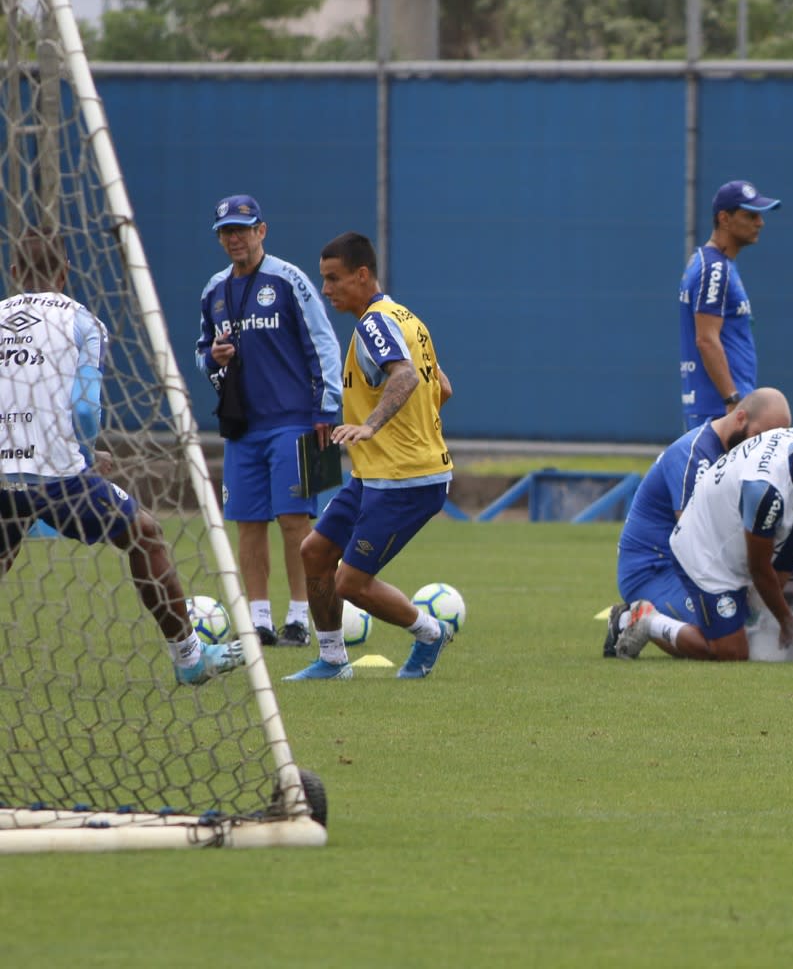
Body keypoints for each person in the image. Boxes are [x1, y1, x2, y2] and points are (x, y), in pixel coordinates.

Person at [1, 230, 244, 686]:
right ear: (66, 271)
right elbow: (85, 409)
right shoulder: (82, 321)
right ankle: (190, 659)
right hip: (57, 475)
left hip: (4, 473)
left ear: (14, 274)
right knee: (145, 534)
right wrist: (89, 453)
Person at [284, 231, 456, 681]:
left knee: (350, 583)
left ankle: (430, 633)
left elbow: (404, 378)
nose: (326, 289)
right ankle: (333, 660)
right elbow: (443, 388)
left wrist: (372, 426)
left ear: (362, 275)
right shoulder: (410, 320)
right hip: (376, 474)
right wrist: (409, 430)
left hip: (404, 481)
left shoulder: (374, 325)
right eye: (324, 280)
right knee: (315, 552)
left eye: (334, 279)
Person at [195, 195, 342, 649]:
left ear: (262, 230)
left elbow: (324, 343)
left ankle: (299, 617)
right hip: (242, 426)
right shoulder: (214, 290)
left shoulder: (288, 279)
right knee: (247, 521)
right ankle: (259, 619)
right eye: (226, 232)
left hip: (296, 421)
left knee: (295, 519)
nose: (235, 238)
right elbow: (202, 353)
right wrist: (212, 360)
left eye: (243, 229)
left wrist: (327, 410)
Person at [614, 427, 793, 662]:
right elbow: (759, 570)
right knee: (731, 651)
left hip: (740, 528)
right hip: (706, 557)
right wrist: (787, 621)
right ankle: (648, 621)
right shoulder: (764, 491)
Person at [607, 387, 793, 657]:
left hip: (705, 563)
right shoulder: (693, 455)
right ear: (740, 418)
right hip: (658, 568)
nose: (760, 449)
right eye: (757, 437)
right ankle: (636, 619)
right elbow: (695, 538)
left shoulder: (749, 455)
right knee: (720, 641)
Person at [678, 179, 781, 430]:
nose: (760, 223)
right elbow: (706, 339)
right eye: (751, 215)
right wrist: (733, 400)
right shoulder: (715, 268)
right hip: (719, 410)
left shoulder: (716, 263)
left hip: (719, 408)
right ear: (724, 219)